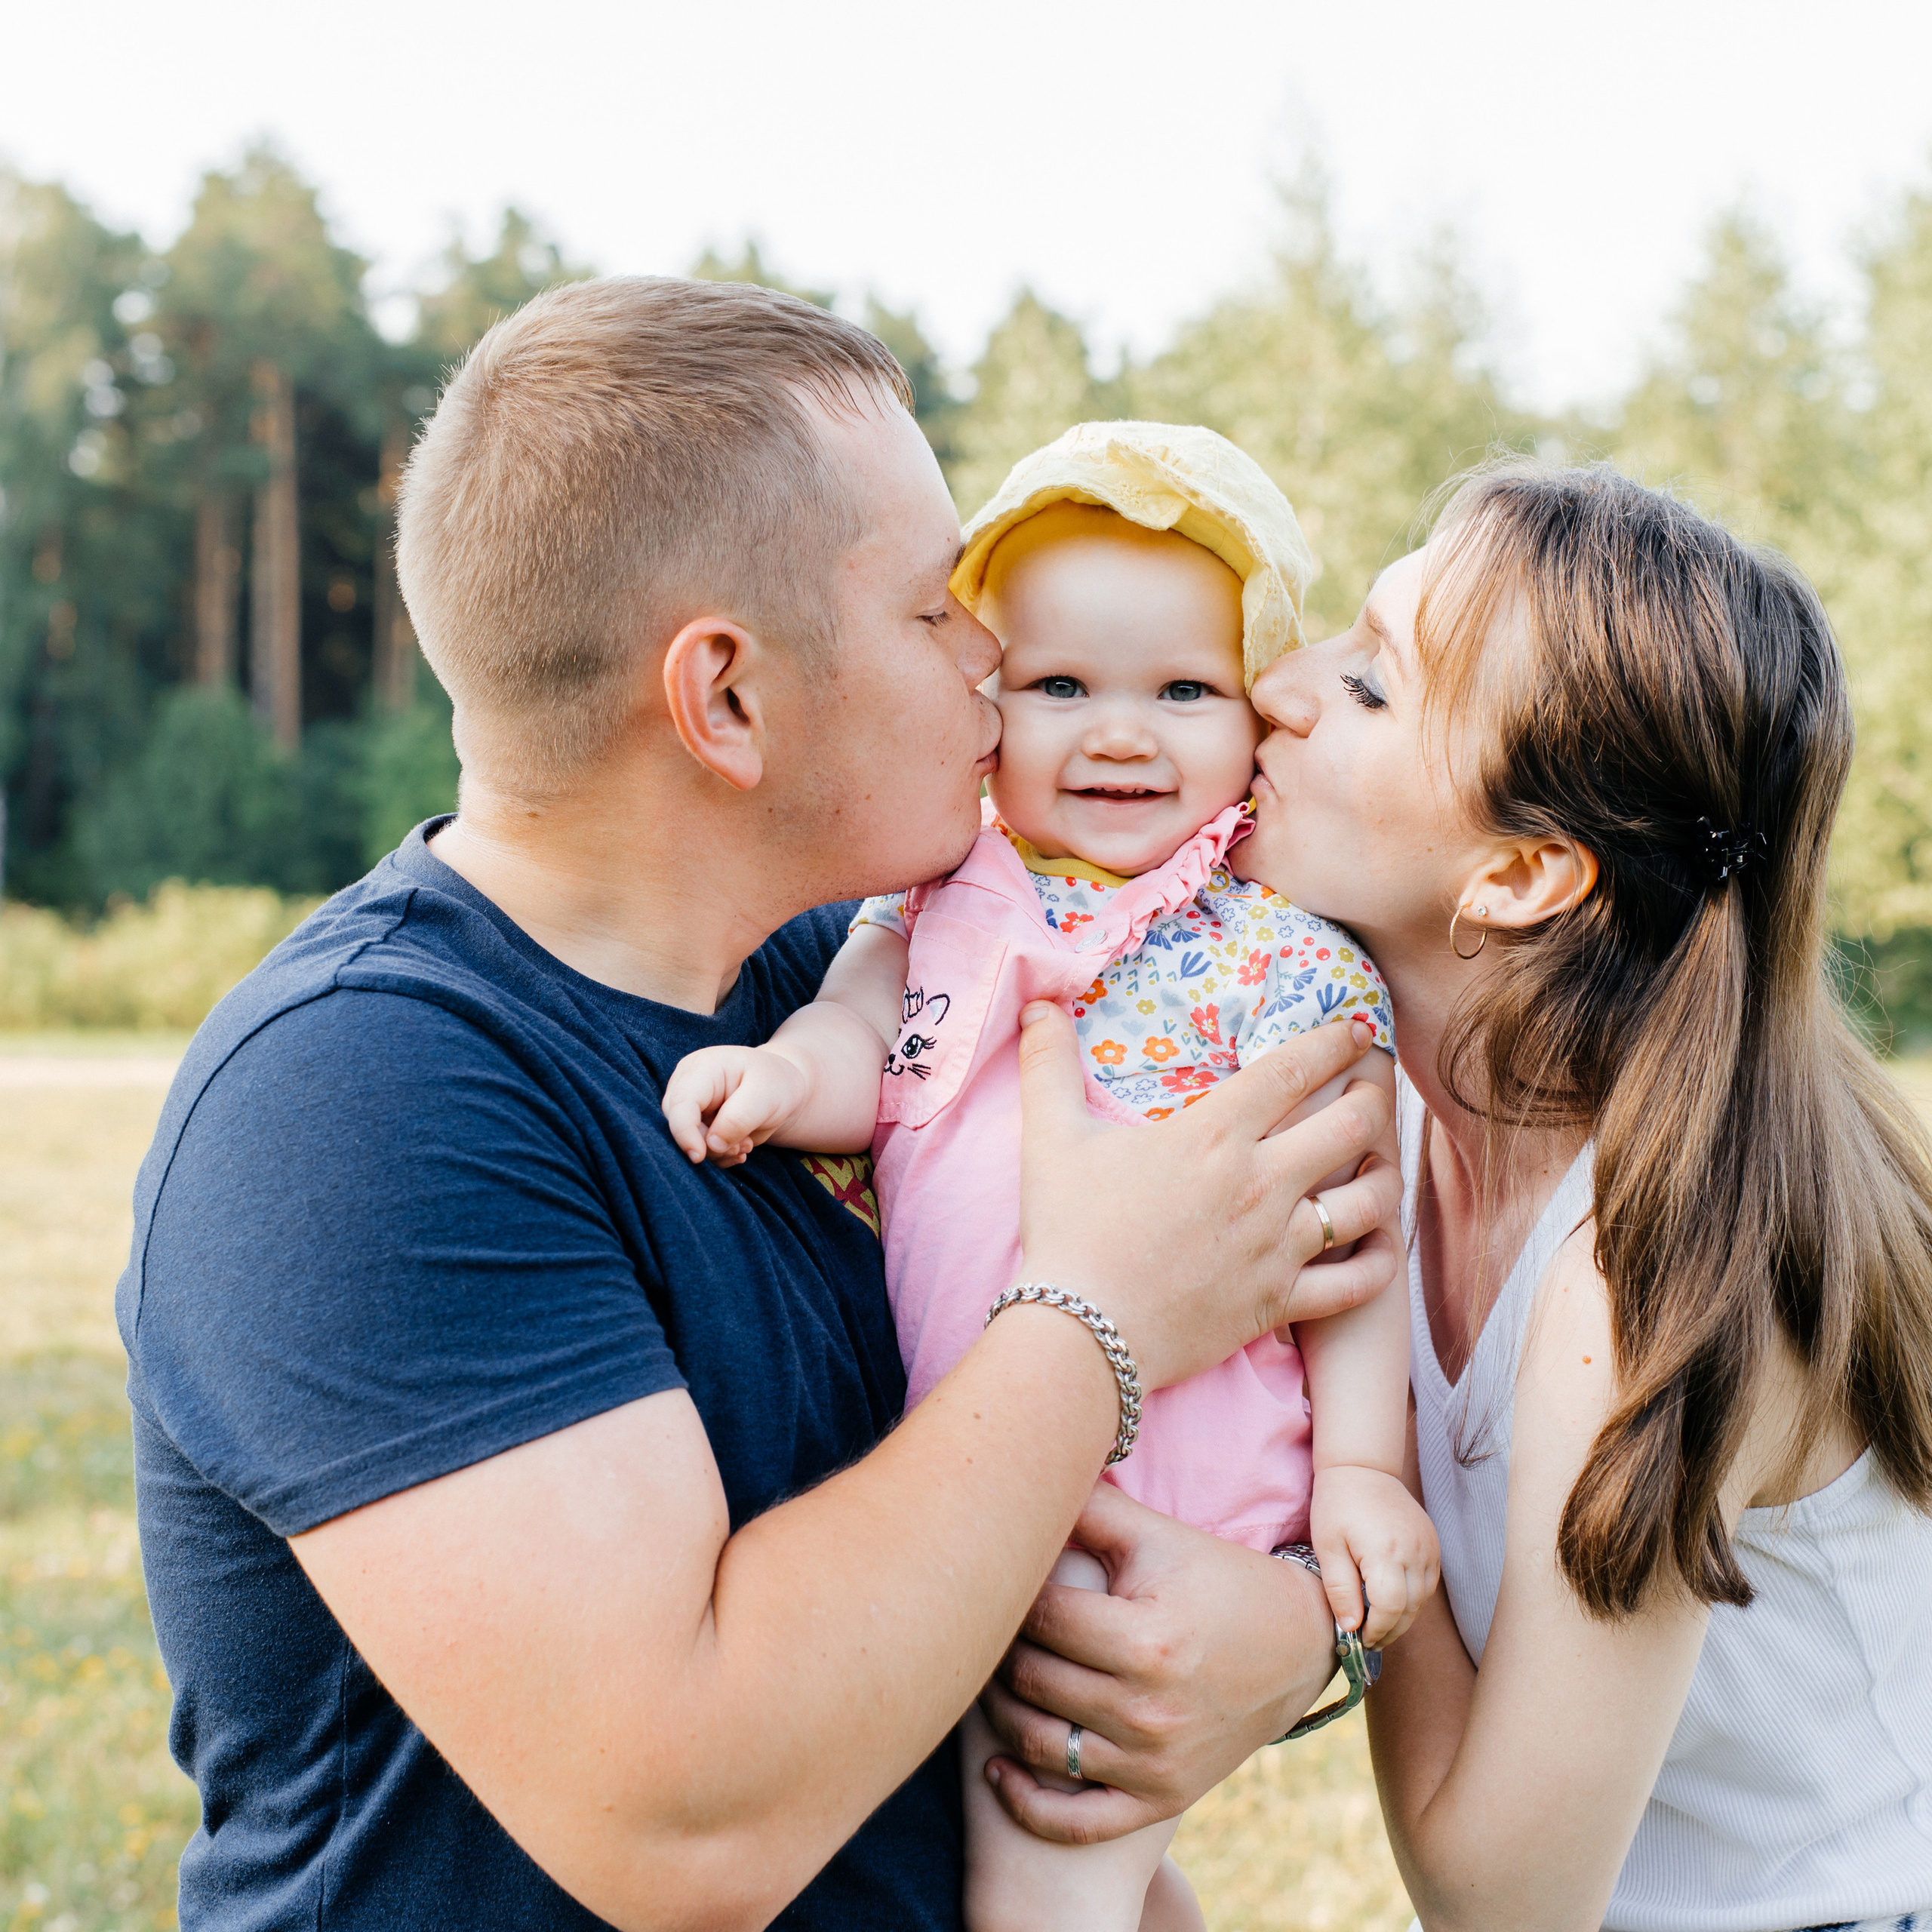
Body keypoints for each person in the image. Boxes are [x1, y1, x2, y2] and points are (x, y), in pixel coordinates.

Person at [115, 278, 1404, 1931]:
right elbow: (685, 1820)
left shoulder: (848, 976)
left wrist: (1298, 1630)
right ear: (724, 696)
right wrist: (1102, 1317)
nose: (995, 657)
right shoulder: (352, 1109)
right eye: (937, 612)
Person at [661, 420, 1437, 1932]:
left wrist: (1357, 1470)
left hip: (1157, 1492)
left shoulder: (1271, 953)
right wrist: (779, 1081)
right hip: (969, 1463)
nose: (1120, 733)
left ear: (1253, 713)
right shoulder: (939, 889)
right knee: (1042, 1857)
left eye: (1183, 691)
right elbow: (856, 1030)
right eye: (1060, 685)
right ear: (985, 698)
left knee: (1040, 1845)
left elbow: (1348, 1236)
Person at [1214, 461, 1932, 1930]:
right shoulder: (1390, 1109)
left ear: (1522, 870)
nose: (1275, 687)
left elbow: (1500, 1897)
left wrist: (1372, 1505)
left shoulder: (1639, 1263)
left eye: (1365, 684)